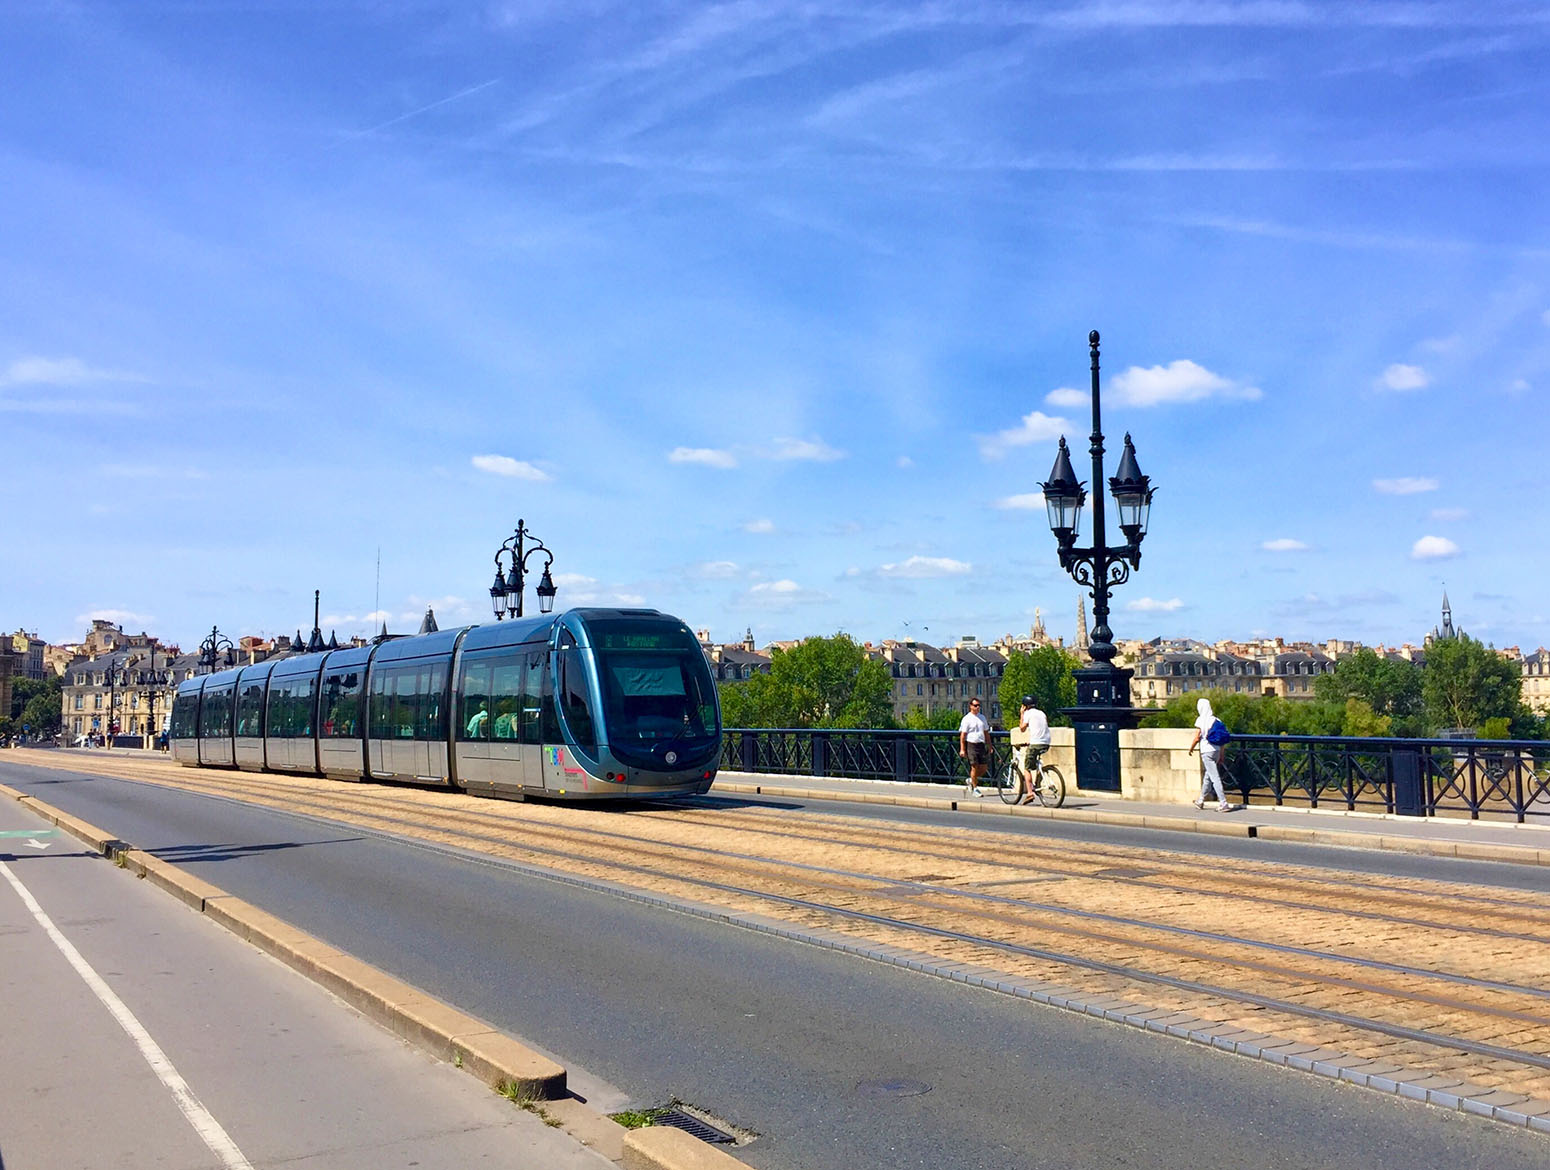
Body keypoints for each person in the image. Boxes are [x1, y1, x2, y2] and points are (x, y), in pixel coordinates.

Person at [1188, 697, 1232, 812]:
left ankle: (1223, 803)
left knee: (1214, 777)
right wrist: (1221, 755)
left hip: (1206, 751)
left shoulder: (1201, 720)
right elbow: (1222, 741)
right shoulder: (1216, 720)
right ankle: (1201, 800)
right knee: (1208, 776)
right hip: (1216, 751)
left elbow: (1197, 737)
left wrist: (1191, 748)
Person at [1016, 695, 1052, 804]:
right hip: (1046, 742)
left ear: (1025, 706)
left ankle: (1030, 793)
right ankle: (1039, 779)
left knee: (1027, 768)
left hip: (1036, 743)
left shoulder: (1028, 713)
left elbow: (1022, 728)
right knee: (1035, 762)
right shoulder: (1041, 713)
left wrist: (1021, 714)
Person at [958, 698, 991, 796]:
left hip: (981, 744)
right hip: (971, 744)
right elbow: (963, 735)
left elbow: (986, 733)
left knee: (984, 767)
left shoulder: (982, 718)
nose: (977, 707)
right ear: (971, 706)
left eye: (978, 705)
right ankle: (975, 788)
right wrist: (962, 749)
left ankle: (971, 780)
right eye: (975, 705)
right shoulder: (967, 719)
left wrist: (990, 746)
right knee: (974, 766)